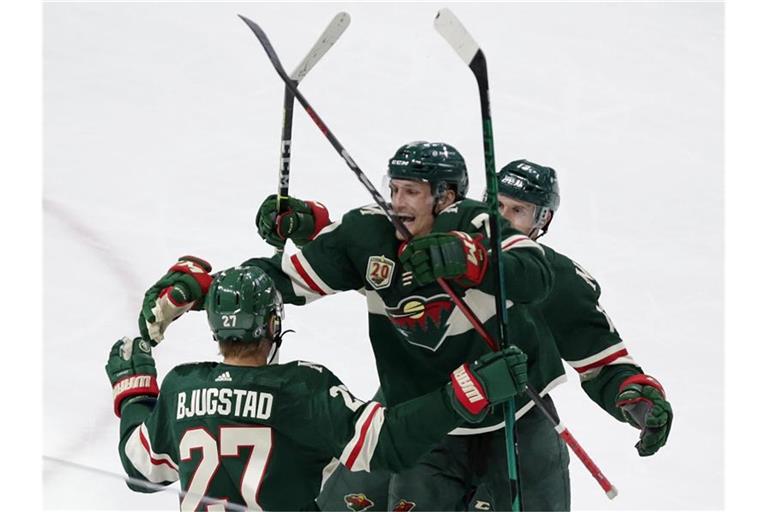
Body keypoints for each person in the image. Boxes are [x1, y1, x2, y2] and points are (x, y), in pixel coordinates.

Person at [138, 141, 564, 510]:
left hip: (514, 412)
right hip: (424, 419)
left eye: (411, 192)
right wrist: (208, 290)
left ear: (445, 196)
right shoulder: (368, 233)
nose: (397, 202)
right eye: (394, 189)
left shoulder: (478, 223)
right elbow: (285, 278)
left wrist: (471, 259)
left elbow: (536, 274)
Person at [250, 158, 675, 511]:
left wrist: (635, 399)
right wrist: (310, 223)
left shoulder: (551, 276)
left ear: (542, 221)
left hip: (515, 423)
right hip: (419, 415)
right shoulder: (438, 245)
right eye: (498, 206)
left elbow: (603, 362)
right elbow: (372, 241)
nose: (504, 218)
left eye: (519, 211)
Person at [109, 265, 530, 511]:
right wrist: (462, 393)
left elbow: (139, 471)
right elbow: (389, 446)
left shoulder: (182, 388)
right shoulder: (301, 389)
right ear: (273, 325)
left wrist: (135, 391)